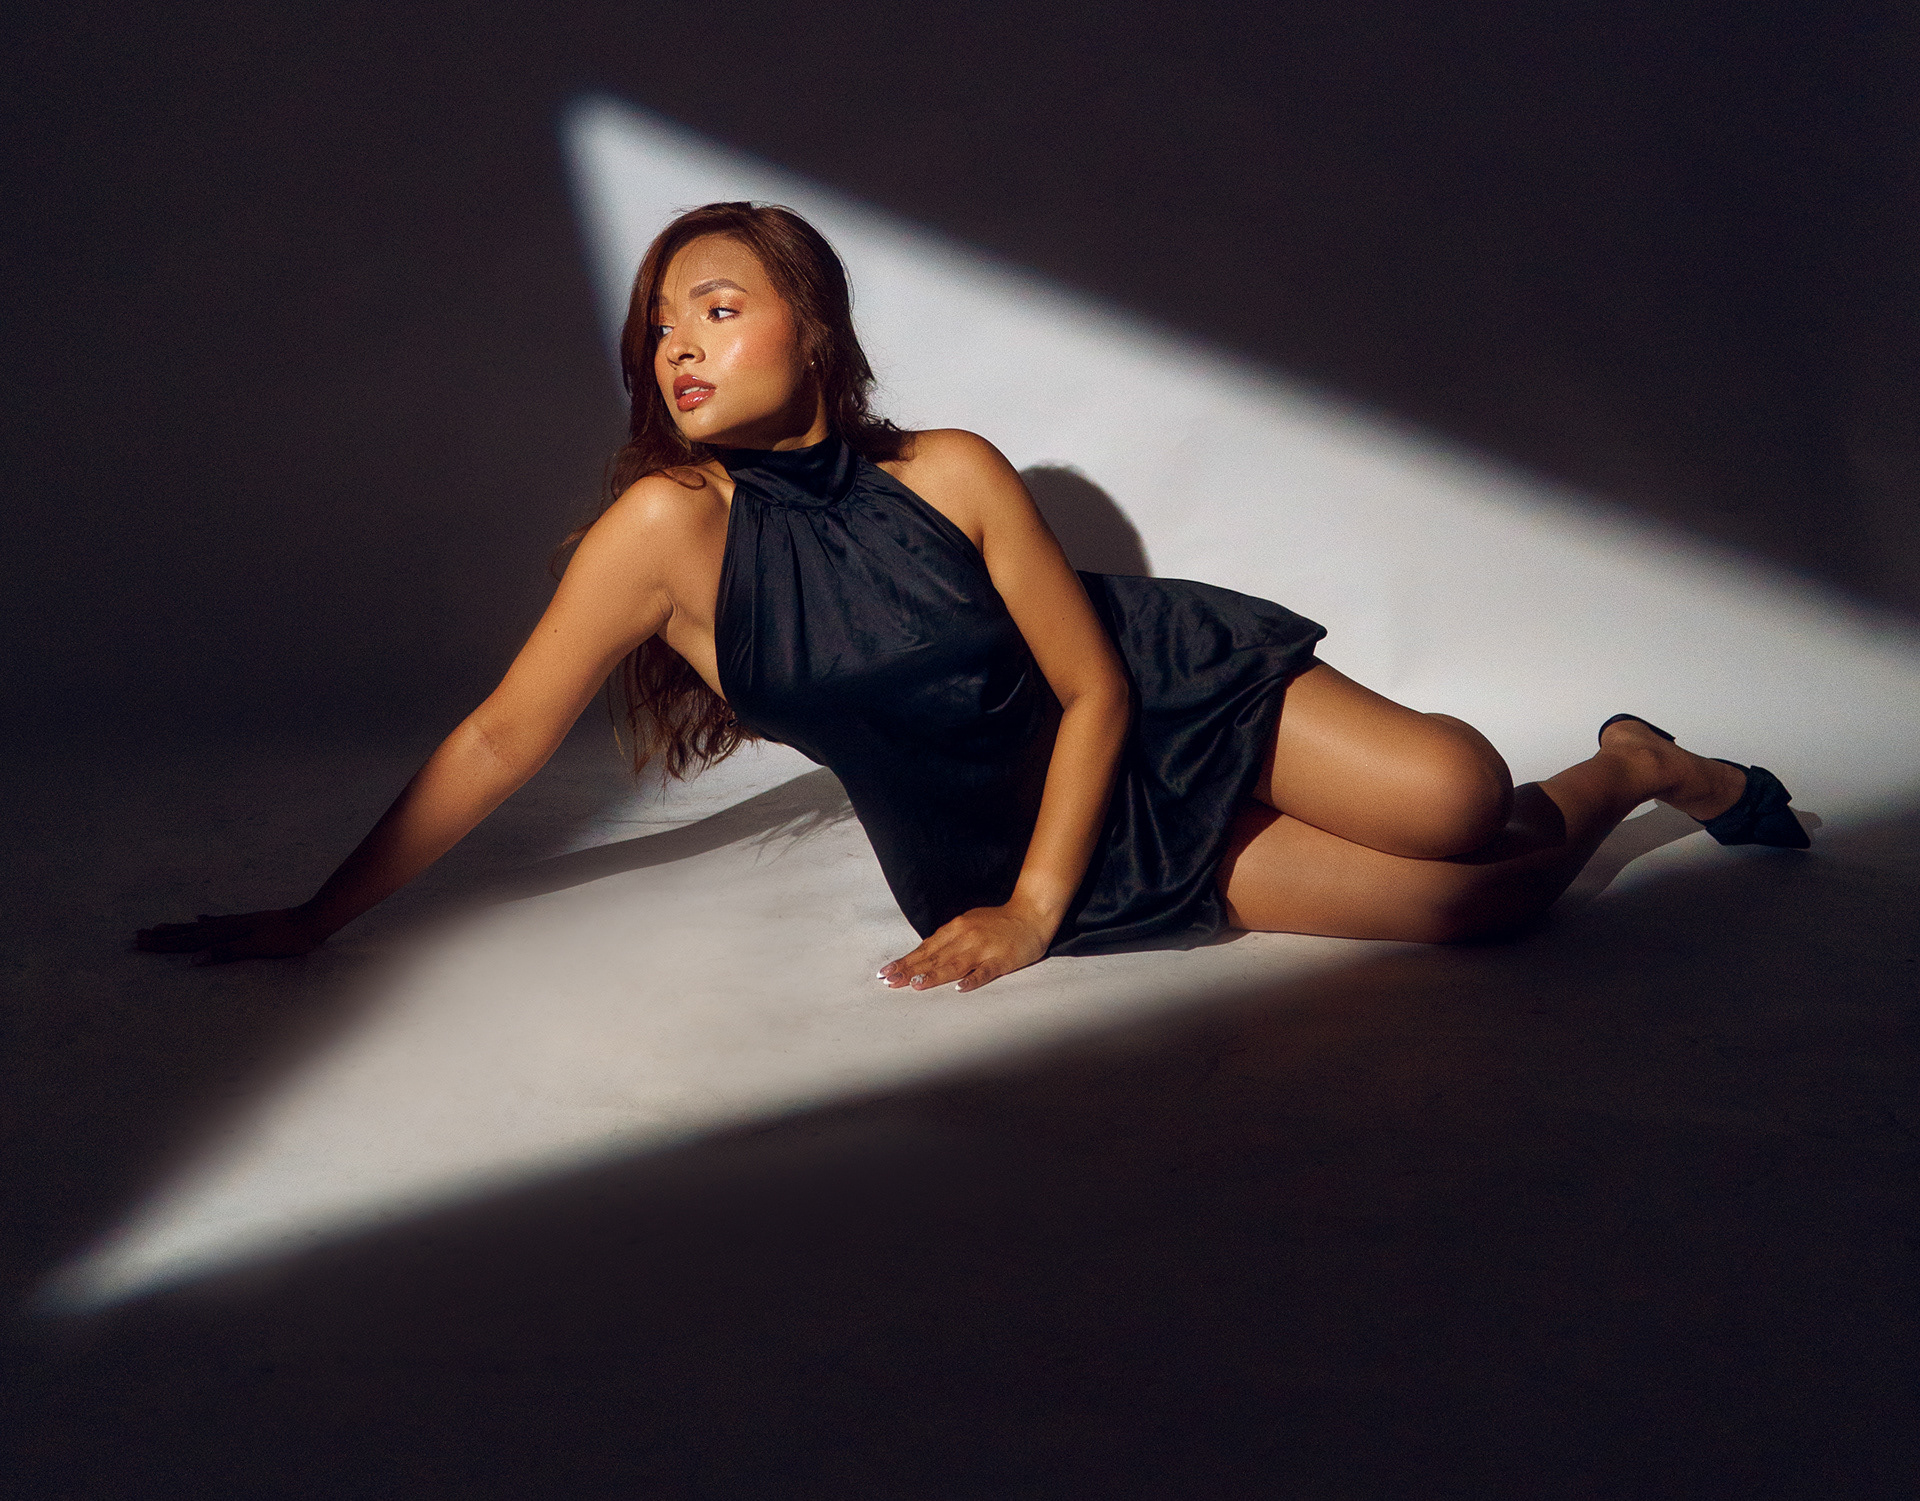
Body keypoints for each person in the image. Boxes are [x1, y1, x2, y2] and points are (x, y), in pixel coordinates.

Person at [136, 202, 1808, 990]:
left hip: (1160, 700)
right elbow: (501, 737)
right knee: (1482, 912)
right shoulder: (664, 532)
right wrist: (316, 916)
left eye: (716, 305)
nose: (677, 343)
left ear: (810, 327)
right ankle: (1638, 764)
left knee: (1458, 798)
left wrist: (1042, 902)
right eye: (659, 325)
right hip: (1001, 853)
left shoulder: (950, 470)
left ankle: (1621, 757)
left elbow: (1095, 689)